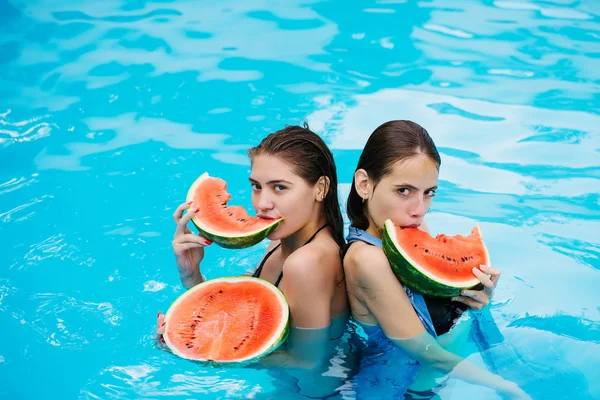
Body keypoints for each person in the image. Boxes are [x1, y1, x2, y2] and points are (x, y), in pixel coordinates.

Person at [342, 120, 530, 399]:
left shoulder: (411, 230)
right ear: (364, 184)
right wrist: (504, 387)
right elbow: (425, 352)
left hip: (433, 383)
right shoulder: (366, 259)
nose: (420, 210)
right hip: (399, 390)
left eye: (428, 192)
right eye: (403, 191)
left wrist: (477, 296)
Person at [156, 124, 349, 373]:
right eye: (257, 186)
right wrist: (192, 276)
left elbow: (306, 364)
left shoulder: (307, 262)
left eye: (280, 187)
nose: (263, 204)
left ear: (320, 188)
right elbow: (247, 315)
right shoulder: (279, 240)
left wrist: (199, 351)